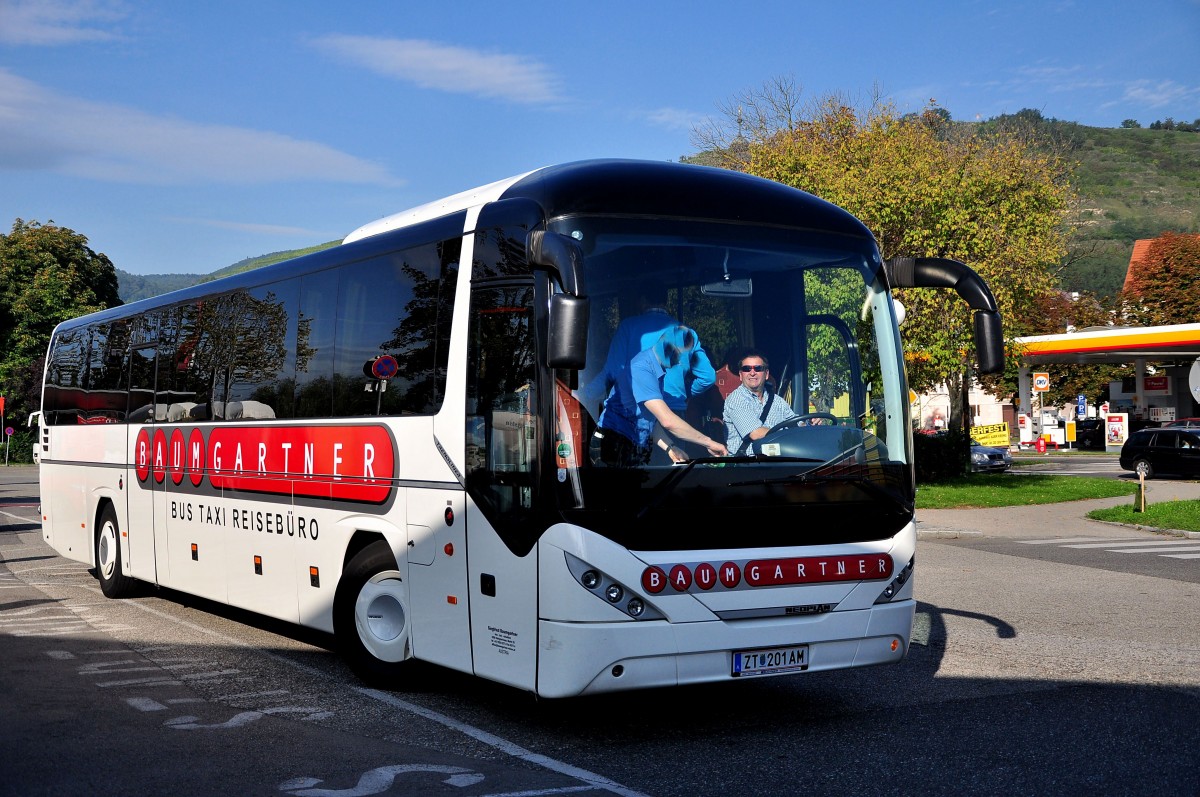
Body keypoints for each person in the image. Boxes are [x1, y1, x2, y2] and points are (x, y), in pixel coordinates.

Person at [582, 281, 715, 463]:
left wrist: (583, 395)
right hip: (667, 417)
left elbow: (612, 371)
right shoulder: (686, 334)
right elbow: (708, 377)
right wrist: (682, 394)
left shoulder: (628, 328)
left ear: (642, 301)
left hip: (642, 424)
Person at [628, 326, 727, 461]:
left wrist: (671, 448)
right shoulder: (642, 369)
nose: (681, 362)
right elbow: (668, 421)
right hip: (616, 445)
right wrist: (708, 442)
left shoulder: (656, 369)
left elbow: (648, 420)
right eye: (680, 355)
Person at [723, 350, 798, 455]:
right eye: (747, 369)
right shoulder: (735, 400)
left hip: (778, 461)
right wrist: (788, 435)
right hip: (747, 465)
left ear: (766, 374)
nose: (752, 373)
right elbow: (756, 433)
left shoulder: (778, 401)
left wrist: (810, 423)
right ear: (740, 375)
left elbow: (795, 423)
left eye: (758, 368)